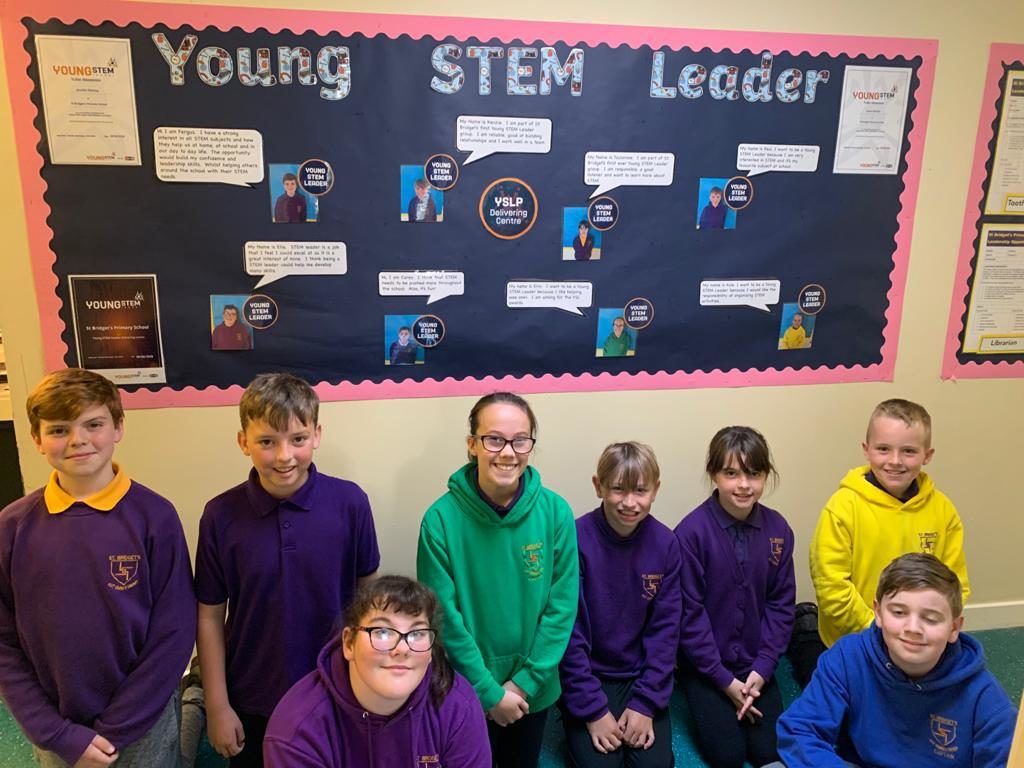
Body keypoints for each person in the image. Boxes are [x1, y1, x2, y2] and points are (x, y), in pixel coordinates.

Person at [0, 368, 196, 768]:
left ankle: (194, 704)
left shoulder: (155, 517)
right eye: (59, 430)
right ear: (36, 438)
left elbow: (174, 631)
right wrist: (54, 732)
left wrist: (118, 728)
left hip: (144, 722)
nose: (78, 440)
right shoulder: (12, 527)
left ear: (118, 427)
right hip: (58, 728)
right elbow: (3, 642)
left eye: (93, 424)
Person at [196, 373, 380, 767]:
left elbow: (370, 601)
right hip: (252, 699)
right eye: (267, 442)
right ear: (243, 441)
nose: (284, 456)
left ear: (316, 435)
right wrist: (217, 706)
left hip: (338, 692)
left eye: (297, 439)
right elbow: (209, 616)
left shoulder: (350, 504)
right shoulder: (219, 515)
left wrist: (371, 682)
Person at [417, 392, 578, 768]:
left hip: (533, 688)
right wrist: (487, 691)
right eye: (494, 439)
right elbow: (443, 618)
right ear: (472, 445)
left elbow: (561, 608)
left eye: (520, 440)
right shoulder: (439, 521)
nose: (508, 452)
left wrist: (525, 683)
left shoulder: (556, 513)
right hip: (466, 686)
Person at [774, 553, 1015, 768]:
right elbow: (800, 730)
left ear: (954, 628)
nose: (913, 628)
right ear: (878, 613)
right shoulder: (847, 658)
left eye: (931, 618)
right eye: (899, 612)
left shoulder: (985, 699)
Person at [263, 576, 491, 767]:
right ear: (349, 644)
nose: (402, 649)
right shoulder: (297, 729)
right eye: (383, 632)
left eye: (417, 633)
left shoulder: (458, 707)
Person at [674, 426, 795, 768]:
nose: (743, 484)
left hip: (756, 665)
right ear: (713, 474)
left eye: (753, 474)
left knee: (770, 751)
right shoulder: (691, 533)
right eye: (731, 473)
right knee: (727, 755)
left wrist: (763, 668)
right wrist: (724, 681)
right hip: (706, 668)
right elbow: (689, 615)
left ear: (766, 475)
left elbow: (781, 605)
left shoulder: (778, 530)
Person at [810, 399, 969, 653]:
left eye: (908, 451)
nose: (895, 461)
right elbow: (831, 586)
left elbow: (955, 583)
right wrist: (880, 628)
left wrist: (925, 626)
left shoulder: (943, 510)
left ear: (927, 455)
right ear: (866, 449)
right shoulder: (842, 508)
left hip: (918, 639)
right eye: (883, 449)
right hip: (855, 638)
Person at [559, 442, 681, 768]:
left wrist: (646, 704)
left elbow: (665, 633)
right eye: (618, 489)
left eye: (640, 490)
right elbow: (569, 633)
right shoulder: (575, 538)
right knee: (600, 764)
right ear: (598, 486)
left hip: (639, 675)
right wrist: (592, 710)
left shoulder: (666, 544)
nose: (629, 502)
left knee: (654, 765)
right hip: (589, 674)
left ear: (655, 490)